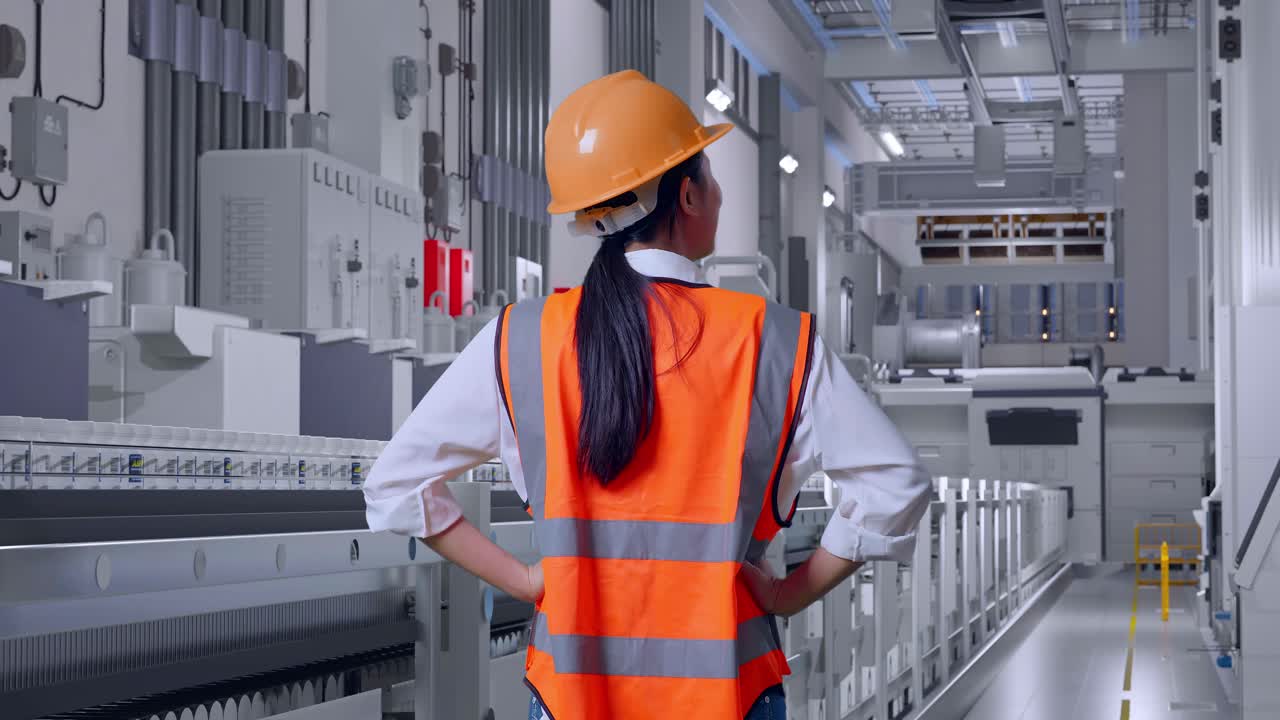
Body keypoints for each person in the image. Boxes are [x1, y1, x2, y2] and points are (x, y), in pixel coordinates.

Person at [364, 70, 931, 720]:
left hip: (573, 698)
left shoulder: (522, 338)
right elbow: (897, 485)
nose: (718, 192)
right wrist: (788, 595)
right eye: (710, 175)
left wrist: (525, 580)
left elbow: (395, 485)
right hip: (729, 697)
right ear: (687, 195)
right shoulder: (774, 341)